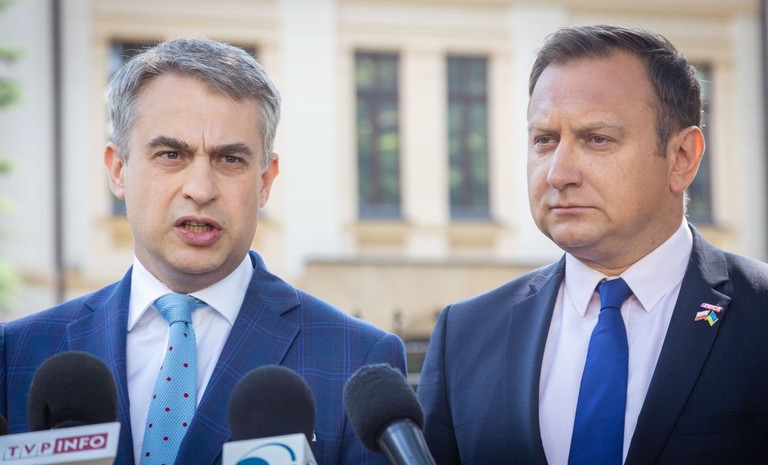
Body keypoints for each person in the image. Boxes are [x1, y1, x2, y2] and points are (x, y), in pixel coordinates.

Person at [0, 38, 406, 465]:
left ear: (265, 182)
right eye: (171, 154)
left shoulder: (355, 359)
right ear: (118, 170)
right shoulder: (18, 353)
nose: (200, 189)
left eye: (230, 160)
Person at [417, 25, 768, 465]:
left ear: (682, 158)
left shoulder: (759, 312)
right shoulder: (465, 336)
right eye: (544, 140)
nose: (558, 173)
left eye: (597, 139)